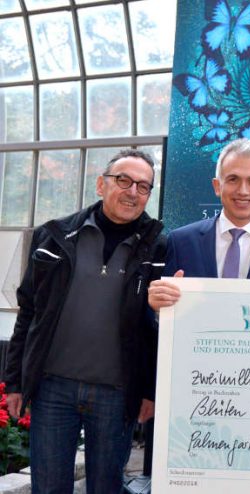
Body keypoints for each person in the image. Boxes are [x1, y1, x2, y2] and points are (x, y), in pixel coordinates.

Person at [4, 149, 166, 493]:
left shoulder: (158, 247)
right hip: (52, 389)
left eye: (143, 186)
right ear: (101, 184)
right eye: (123, 180)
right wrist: (15, 380)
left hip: (116, 395)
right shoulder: (54, 236)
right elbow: (28, 310)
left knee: (106, 488)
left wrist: (149, 391)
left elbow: (158, 330)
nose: (132, 192)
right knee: (47, 487)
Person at [148, 138, 250, 310]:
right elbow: (164, 317)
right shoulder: (181, 242)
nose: (243, 191)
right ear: (217, 186)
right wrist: (157, 308)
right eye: (233, 179)